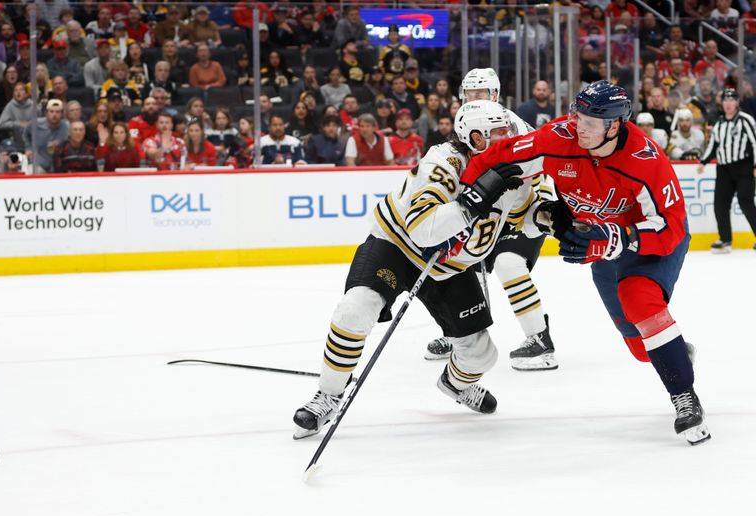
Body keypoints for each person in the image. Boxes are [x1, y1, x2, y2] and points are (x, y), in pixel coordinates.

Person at [464, 80, 710, 445]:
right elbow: (502, 154)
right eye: (578, 115)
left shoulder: (646, 161)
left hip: (649, 242)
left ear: (614, 126)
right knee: (641, 348)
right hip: (602, 247)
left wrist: (618, 238)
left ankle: (684, 397)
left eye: (591, 122)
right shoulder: (560, 138)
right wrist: (466, 193)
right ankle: (674, 351)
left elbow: (671, 228)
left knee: (638, 298)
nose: (579, 126)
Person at [292, 100, 530, 438]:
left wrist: (556, 220)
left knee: (482, 355)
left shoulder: (512, 175)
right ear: (475, 138)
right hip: (398, 246)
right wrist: (471, 201)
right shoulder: (444, 162)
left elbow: (524, 216)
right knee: (354, 310)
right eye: (498, 134)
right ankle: (328, 396)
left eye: (509, 132)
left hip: (447, 266)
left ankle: (455, 384)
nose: (508, 140)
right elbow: (422, 228)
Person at [425, 67, 557, 370]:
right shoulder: (467, 121)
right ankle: (460, 333)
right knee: (459, 267)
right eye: (469, 93)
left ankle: (539, 339)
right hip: (489, 210)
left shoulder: (514, 126)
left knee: (508, 264)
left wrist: (545, 206)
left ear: (495, 95)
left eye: (480, 93)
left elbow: (540, 166)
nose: (474, 98)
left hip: (521, 208)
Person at [698, 88, 756, 253]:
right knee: (720, 204)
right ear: (722, 103)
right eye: (726, 101)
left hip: (743, 166)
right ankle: (725, 239)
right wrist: (704, 162)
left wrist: (755, 165)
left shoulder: (746, 120)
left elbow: (754, 143)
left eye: (732, 100)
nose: (729, 104)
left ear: (737, 102)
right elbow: (713, 146)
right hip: (723, 168)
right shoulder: (720, 123)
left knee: (746, 202)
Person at [24, 99, 69, 173]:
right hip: (40, 164)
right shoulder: (35, 124)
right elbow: (25, 134)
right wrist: (28, 148)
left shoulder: (67, 126)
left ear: (62, 114)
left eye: (58, 112)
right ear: (46, 113)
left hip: (60, 165)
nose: (54, 115)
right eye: (51, 112)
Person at [0, 81, 34, 146]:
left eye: (21, 90)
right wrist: (18, 124)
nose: (18, 92)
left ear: (26, 94)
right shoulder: (10, 106)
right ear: (13, 94)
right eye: (16, 90)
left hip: (32, 139)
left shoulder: (33, 106)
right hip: (15, 139)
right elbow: (1, 124)